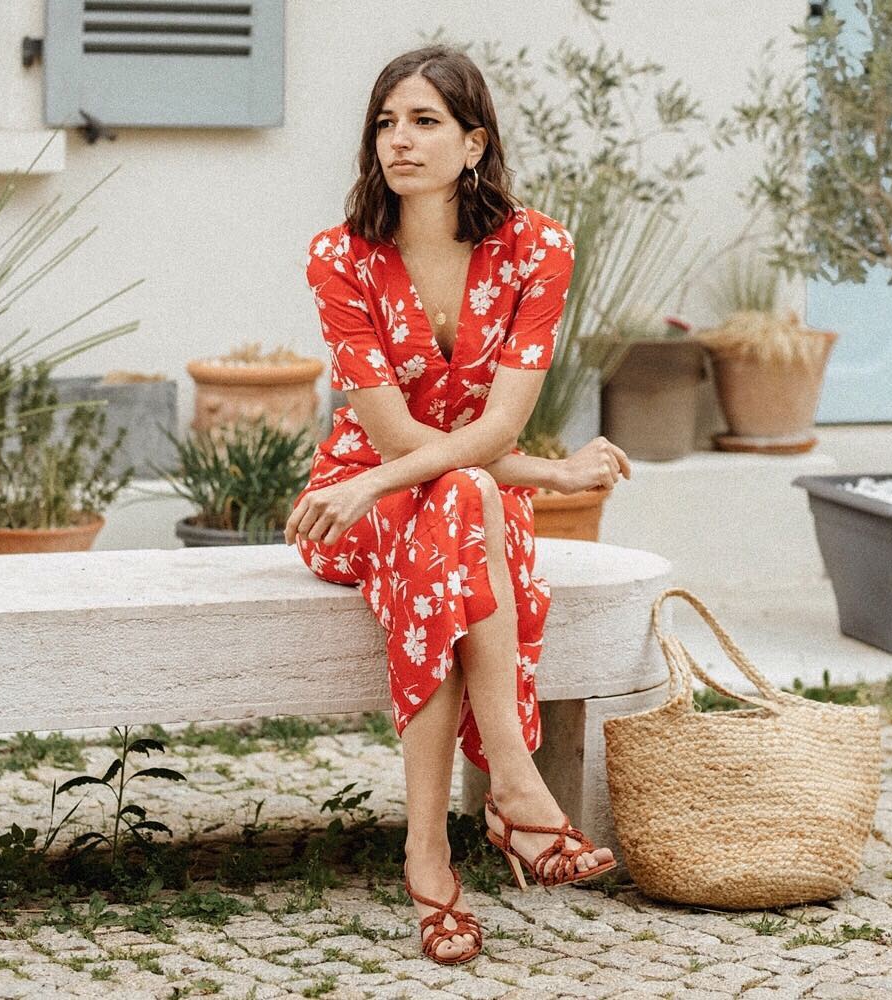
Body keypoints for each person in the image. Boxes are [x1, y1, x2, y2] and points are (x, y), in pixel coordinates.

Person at [285, 44, 631, 966]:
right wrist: (546, 478)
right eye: (386, 123)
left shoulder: (537, 250)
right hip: (359, 504)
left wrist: (480, 474)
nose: (399, 140)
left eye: (425, 121)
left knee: (463, 498)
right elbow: (396, 440)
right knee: (461, 499)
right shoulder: (341, 257)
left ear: (474, 143)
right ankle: (512, 789)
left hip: (445, 496)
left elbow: (498, 427)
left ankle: (429, 854)